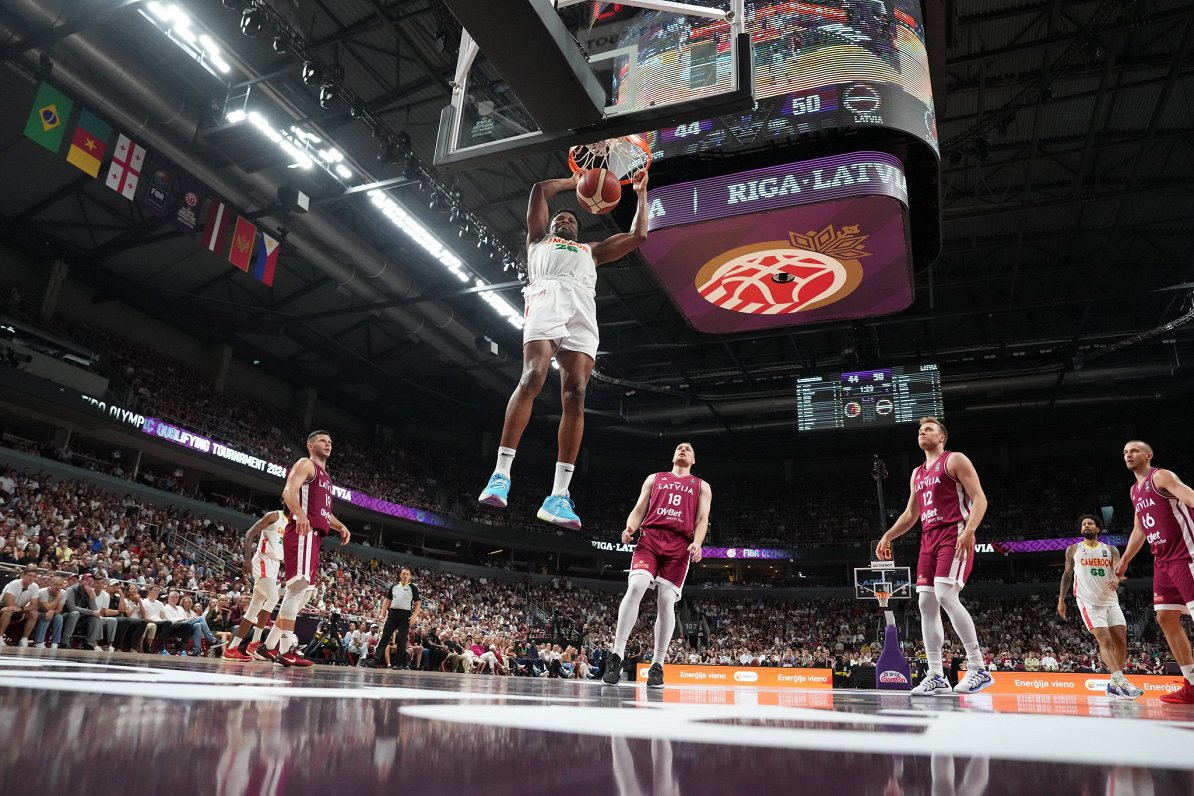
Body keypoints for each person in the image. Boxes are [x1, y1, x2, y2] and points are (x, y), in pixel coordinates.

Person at [478, 168, 651, 530]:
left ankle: (558, 495)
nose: (567, 219)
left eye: (572, 218)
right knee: (532, 377)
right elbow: (539, 188)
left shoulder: (593, 251)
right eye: (562, 216)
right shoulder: (538, 241)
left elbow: (639, 234)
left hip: (583, 309)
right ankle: (501, 473)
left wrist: (640, 192)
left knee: (576, 394)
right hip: (547, 295)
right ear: (552, 226)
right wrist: (573, 184)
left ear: (579, 230)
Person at [875, 417, 993, 695]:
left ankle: (978, 667)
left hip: (955, 532)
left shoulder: (955, 460)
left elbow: (979, 498)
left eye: (928, 429)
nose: (922, 433)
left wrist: (970, 530)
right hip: (928, 538)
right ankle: (937, 674)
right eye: (919, 430)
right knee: (926, 602)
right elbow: (910, 515)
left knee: (944, 595)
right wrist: (887, 536)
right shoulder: (917, 473)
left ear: (942, 437)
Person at [603, 442, 711, 689]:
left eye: (688, 449)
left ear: (693, 460)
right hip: (650, 538)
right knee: (636, 585)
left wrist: (697, 542)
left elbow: (703, 518)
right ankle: (617, 655)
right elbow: (639, 508)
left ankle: (657, 664)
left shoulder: (701, 485)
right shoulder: (655, 478)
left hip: (679, 545)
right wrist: (630, 527)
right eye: (679, 447)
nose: (682, 449)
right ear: (673, 455)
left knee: (665, 601)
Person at [262, 431, 351, 668]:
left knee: (307, 592)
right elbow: (288, 492)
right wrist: (299, 515)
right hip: (303, 531)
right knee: (298, 587)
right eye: (323, 440)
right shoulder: (305, 464)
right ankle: (285, 650)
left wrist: (340, 525)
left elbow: (324, 512)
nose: (329, 443)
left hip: (315, 535)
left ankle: (269, 646)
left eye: (331, 441)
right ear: (310, 445)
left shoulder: (325, 477)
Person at [1115, 440, 1194, 704]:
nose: (1128, 455)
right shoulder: (1134, 490)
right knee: (1166, 618)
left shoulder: (1160, 475)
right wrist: (1125, 560)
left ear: (1148, 455)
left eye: (1134, 450)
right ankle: (1192, 684)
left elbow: (1189, 496)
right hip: (1162, 560)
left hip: (1186, 555)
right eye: (1125, 452)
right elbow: (1139, 530)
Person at [1058, 513, 1143, 699]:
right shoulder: (1073, 549)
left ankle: (1113, 685)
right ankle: (1122, 681)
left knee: (1121, 641)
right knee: (1105, 641)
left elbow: (1117, 573)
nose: (1086, 526)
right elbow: (1067, 575)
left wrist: (1116, 580)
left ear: (1098, 528)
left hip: (1110, 600)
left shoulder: (1111, 549)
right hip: (1088, 602)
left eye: (1090, 523)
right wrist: (1061, 600)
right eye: (1083, 524)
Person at [224, 507, 288, 662]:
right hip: (263, 560)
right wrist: (247, 557)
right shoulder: (274, 515)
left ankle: (232, 648)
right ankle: (255, 643)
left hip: (275, 564)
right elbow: (250, 533)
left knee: (252, 612)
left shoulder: (292, 523)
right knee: (273, 598)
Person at [371, 567, 421, 668]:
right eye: (403, 574)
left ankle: (398, 664)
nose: (405, 575)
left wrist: (414, 616)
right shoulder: (394, 586)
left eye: (407, 574)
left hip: (405, 615)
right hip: (393, 614)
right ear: (400, 575)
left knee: (401, 640)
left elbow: (418, 603)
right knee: (385, 637)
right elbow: (387, 601)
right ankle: (375, 661)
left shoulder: (413, 588)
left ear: (410, 576)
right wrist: (382, 613)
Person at [0, 566, 41, 647]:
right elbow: (9, 603)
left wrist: (21, 608)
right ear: (23, 575)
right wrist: (20, 608)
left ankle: (24, 639)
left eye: (34, 576)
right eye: (29, 575)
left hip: (19, 609)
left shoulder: (35, 586)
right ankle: (0, 636)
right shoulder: (14, 583)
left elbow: (34, 605)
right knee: (8, 610)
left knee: (34, 613)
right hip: (2, 607)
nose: (31, 578)